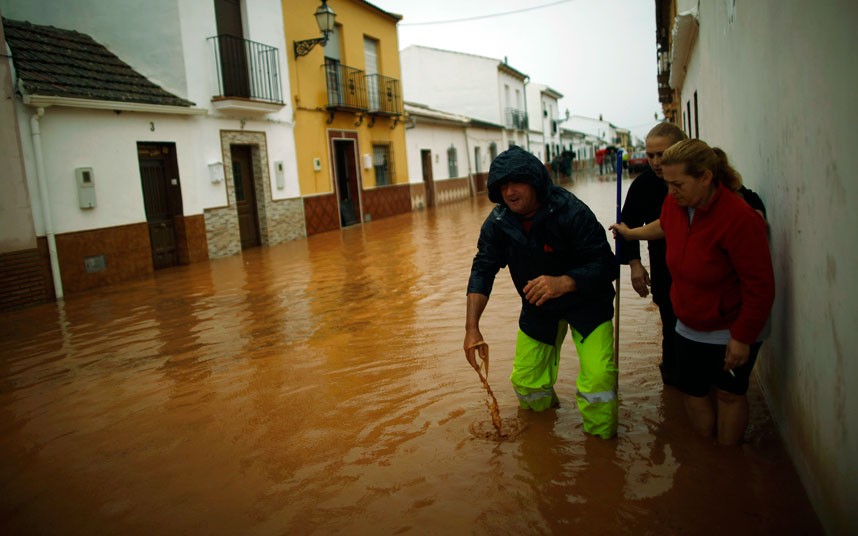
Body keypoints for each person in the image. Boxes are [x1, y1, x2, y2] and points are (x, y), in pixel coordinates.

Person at [610, 139, 774, 446]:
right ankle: (704, 458)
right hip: (688, 321)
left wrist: (742, 337)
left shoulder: (740, 219)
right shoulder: (676, 203)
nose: (670, 191)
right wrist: (631, 233)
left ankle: (726, 459)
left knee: (728, 394)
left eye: (677, 184)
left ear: (706, 177)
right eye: (667, 184)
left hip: (731, 324)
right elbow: (665, 225)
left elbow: (760, 286)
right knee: (692, 390)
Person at [464, 146, 620, 439]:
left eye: (516, 183)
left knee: (598, 381)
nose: (509, 192)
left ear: (535, 181)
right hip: (539, 307)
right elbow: (482, 269)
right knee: (526, 383)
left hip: (588, 303)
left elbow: (607, 265)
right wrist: (472, 328)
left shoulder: (572, 212)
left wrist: (564, 282)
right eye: (502, 186)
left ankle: (601, 453)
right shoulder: (498, 223)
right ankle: (543, 437)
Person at [617, 123, 688, 387]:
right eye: (651, 156)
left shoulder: (703, 176)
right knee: (670, 325)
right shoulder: (644, 184)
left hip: (703, 268)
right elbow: (627, 225)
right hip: (664, 265)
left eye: (662, 154)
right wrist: (635, 264)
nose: (656, 162)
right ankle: (673, 381)